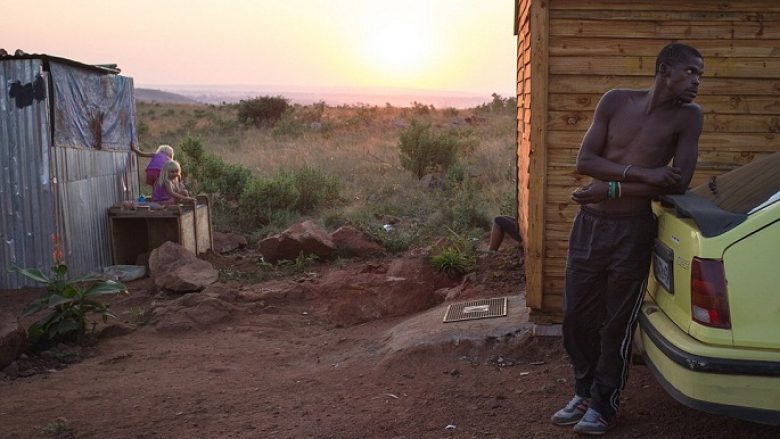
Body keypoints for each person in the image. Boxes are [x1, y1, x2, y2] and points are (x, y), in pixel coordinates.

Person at [551, 43, 703, 435]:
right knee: (575, 320)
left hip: (633, 230)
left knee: (617, 323)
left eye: (700, 75)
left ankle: (605, 403)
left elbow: (677, 182)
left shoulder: (688, 118)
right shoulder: (616, 102)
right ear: (664, 69)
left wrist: (614, 187)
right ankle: (584, 390)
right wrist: (644, 174)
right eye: (690, 72)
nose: (696, 82)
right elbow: (586, 161)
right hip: (590, 225)